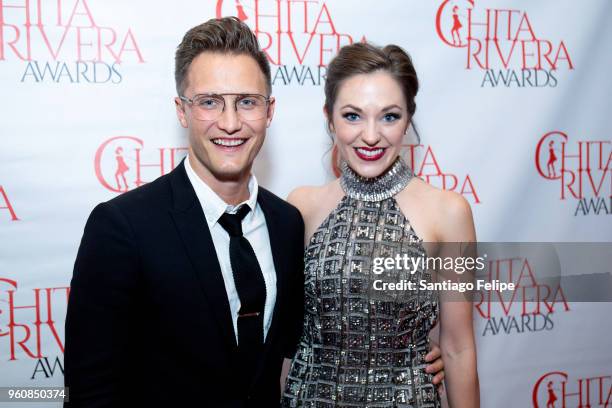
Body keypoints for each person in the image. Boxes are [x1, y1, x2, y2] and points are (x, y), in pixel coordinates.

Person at [64, 17, 445, 407]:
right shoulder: (122, 227)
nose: (230, 123)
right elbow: (88, 391)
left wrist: (410, 352)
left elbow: (314, 336)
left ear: (269, 111)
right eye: (210, 102)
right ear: (181, 111)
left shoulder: (287, 222)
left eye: (246, 102)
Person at [282, 43, 479, 407]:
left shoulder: (450, 212)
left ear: (408, 118)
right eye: (352, 116)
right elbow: (287, 342)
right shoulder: (301, 205)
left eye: (389, 116)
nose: (371, 136)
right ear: (329, 118)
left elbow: (458, 348)